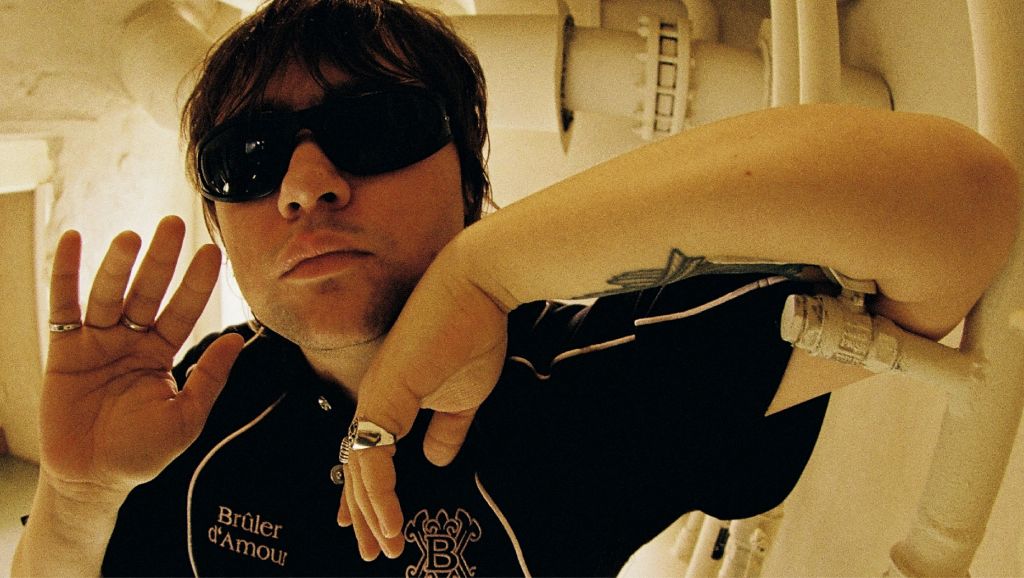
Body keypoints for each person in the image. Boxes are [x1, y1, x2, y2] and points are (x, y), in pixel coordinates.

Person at [12, 0, 1019, 576]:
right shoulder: (197, 403)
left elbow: (962, 207)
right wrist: (74, 501)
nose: (305, 184)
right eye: (249, 158)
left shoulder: (592, 378)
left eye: (374, 127)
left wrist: (486, 272)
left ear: (469, 176)